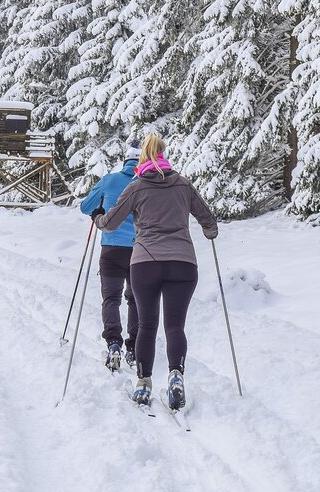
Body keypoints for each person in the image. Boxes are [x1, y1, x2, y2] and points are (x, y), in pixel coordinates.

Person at [93, 132, 218, 411]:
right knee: (175, 326)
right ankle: (176, 375)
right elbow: (207, 218)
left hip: (145, 263)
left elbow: (111, 222)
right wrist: (210, 232)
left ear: (142, 158)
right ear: (164, 154)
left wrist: (98, 219)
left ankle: (143, 383)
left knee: (147, 325)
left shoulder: (136, 187)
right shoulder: (184, 185)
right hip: (183, 263)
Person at [79, 141, 141, 371]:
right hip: (139, 250)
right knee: (135, 299)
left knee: (111, 299)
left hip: (112, 248)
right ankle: (133, 347)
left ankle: (113, 343)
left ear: (125, 161)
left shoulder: (110, 180)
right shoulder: (145, 182)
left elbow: (86, 207)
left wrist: (99, 211)